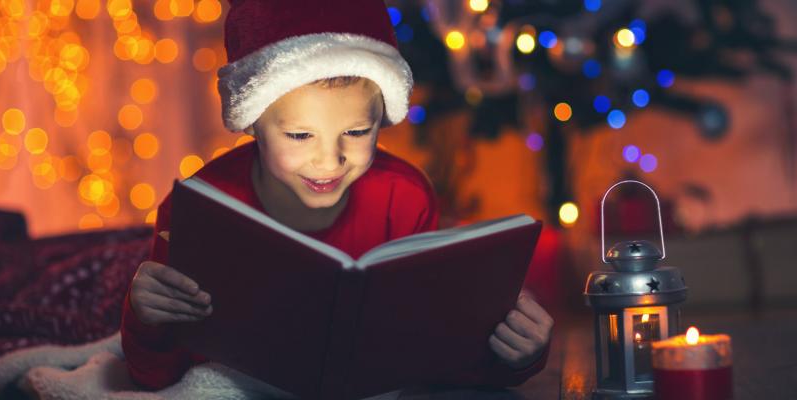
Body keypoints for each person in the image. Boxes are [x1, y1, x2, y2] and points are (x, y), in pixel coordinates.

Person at [120, 0, 554, 395]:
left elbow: (437, 360)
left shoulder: (405, 197)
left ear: (381, 118)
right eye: (299, 135)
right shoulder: (199, 206)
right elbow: (155, 378)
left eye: (357, 132)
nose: (330, 160)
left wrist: (515, 354)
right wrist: (147, 321)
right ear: (252, 122)